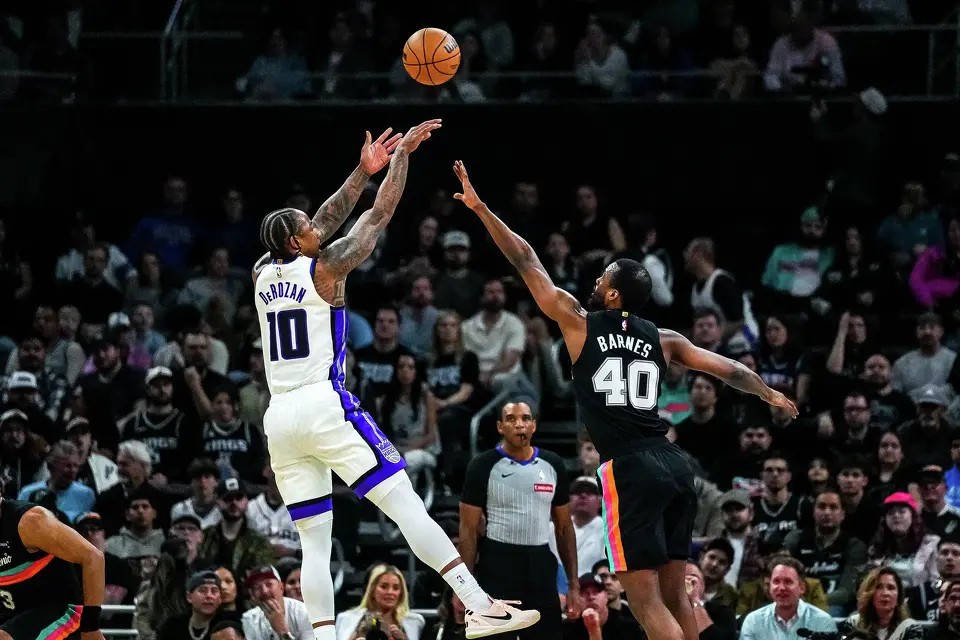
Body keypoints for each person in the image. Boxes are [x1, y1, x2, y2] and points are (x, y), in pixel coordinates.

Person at [453, 160, 797, 640]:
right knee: (679, 596)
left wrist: (480, 207)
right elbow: (732, 369)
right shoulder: (664, 338)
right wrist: (769, 393)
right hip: (677, 465)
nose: (594, 282)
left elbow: (527, 260)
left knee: (645, 600)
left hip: (630, 467)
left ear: (612, 294)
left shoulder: (579, 322)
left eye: (603, 278)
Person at [253, 123, 539, 640]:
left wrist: (363, 170)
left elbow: (322, 219)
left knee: (314, 541)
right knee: (405, 501)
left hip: (280, 418)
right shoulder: (328, 269)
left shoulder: (261, 272)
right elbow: (377, 214)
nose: (318, 225)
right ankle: (479, 606)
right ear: (300, 241)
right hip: (323, 403)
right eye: (308, 227)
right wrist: (403, 156)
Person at [459, 402, 579, 640]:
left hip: (541, 563)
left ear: (533, 425)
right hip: (497, 562)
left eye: (525, 418)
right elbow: (468, 529)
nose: (519, 424)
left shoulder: (553, 464)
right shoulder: (482, 465)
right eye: (511, 419)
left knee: (548, 634)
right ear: (500, 427)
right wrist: (464, 586)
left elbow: (564, 527)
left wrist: (574, 584)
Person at [0, 494, 107, 640]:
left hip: (61, 610)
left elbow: (94, 557)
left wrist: (91, 627)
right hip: (15, 612)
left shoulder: (31, 521)